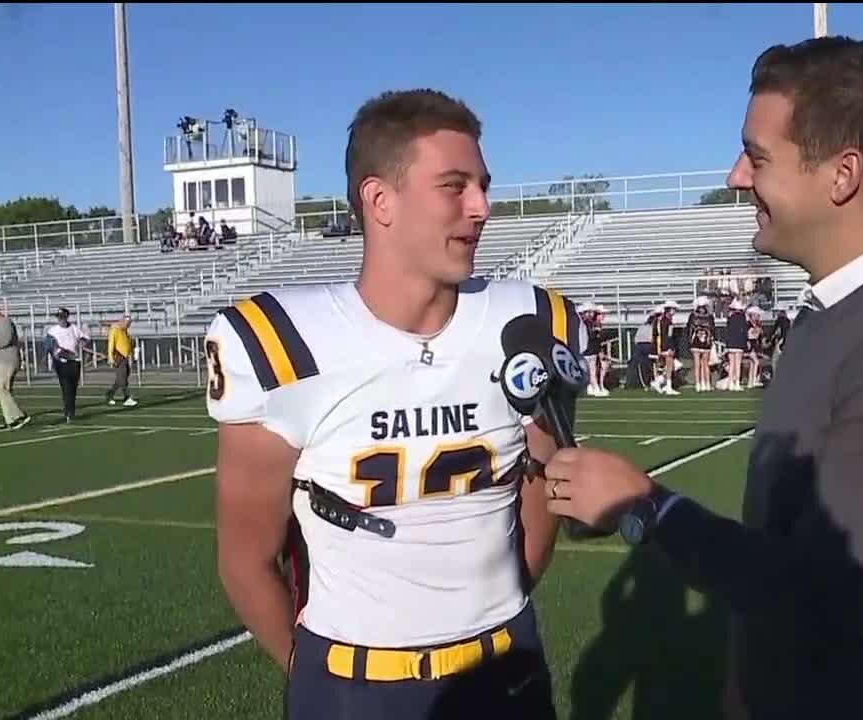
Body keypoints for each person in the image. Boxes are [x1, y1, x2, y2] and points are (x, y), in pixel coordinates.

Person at [541, 36, 863, 720]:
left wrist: (651, 505)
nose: (737, 176)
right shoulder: (843, 312)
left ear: (841, 174)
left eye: (758, 157)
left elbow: (822, 599)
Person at [206, 88, 584, 719]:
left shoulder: (532, 321)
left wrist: (501, 606)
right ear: (379, 200)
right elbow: (245, 558)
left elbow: (543, 490)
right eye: (455, 186)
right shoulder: (281, 343)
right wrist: (313, 674)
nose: (482, 207)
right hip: (353, 681)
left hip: (505, 666)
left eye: (483, 185)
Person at [45, 307, 89, 422]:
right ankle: (68, 412)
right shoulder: (52, 331)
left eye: (63, 317)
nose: (61, 320)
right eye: (59, 317)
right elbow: (49, 346)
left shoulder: (74, 328)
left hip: (74, 361)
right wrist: (57, 351)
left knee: (73, 388)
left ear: (67, 317)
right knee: (66, 387)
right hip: (62, 363)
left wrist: (82, 343)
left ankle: (70, 410)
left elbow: (85, 338)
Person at [0, 306, 30, 430]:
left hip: (7, 361)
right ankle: (10, 419)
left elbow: (4, 340)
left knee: (0, 388)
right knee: (5, 390)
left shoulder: (4, 322)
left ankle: (19, 415)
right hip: (0, 361)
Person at [106, 314, 138, 407]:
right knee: (122, 378)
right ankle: (127, 397)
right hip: (118, 357)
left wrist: (132, 350)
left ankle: (109, 394)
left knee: (121, 378)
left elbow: (127, 343)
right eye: (127, 323)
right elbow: (111, 344)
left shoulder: (125, 331)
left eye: (129, 323)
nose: (128, 325)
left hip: (125, 357)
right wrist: (111, 358)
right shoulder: (115, 330)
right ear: (122, 321)